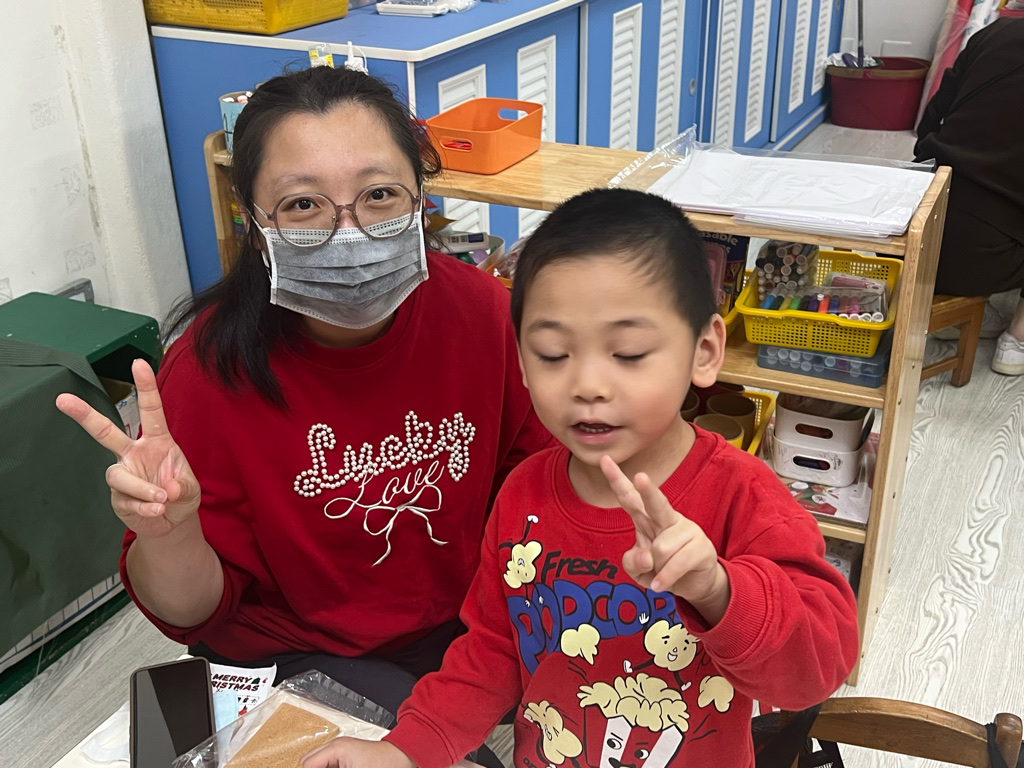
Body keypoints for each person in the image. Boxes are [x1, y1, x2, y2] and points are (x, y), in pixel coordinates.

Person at [55, 65, 551, 741]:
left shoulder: (486, 315)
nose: (349, 232)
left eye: (379, 194)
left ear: (420, 197)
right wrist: (169, 533)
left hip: (456, 622)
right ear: (255, 223)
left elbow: (537, 488)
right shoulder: (207, 372)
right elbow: (191, 612)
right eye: (302, 205)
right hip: (292, 651)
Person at [302, 189, 860, 768]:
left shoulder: (743, 495)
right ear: (521, 361)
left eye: (629, 352)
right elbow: (492, 650)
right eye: (552, 353)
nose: (588, 385)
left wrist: (718, 591)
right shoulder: (522, 495)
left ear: (704, 351)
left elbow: (815, 672)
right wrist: (405, 749)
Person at [914, 17, 1024, 375]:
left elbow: (931, 119)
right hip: (986, 256)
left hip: (917, 231)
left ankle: (956, 310)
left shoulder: (994, 33)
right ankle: (1017, 340)